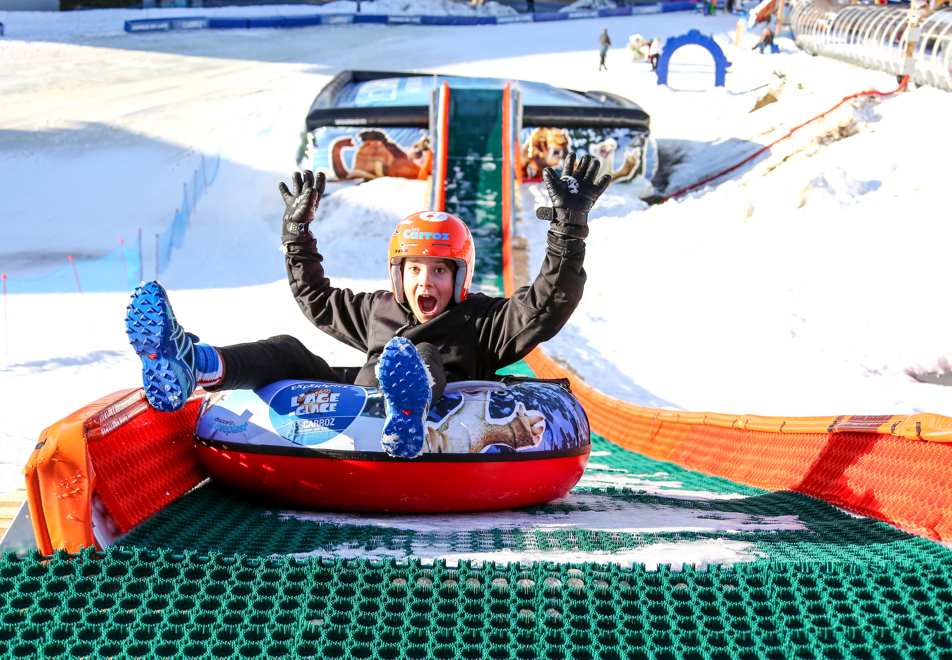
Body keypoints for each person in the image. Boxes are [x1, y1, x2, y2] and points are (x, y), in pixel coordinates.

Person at [125, 153, 611, 459]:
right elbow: (317, 300)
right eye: (414, 268)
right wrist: (297, 237)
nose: (427, 280)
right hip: (355, 406)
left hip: (439, 421)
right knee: (287, 348)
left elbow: (547, 303)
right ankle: (196, 364)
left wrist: (569, 229)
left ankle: (410, 408)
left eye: (440, 269)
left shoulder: (482, 321)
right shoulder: (379, 310)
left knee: (420, 359)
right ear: (397, 275)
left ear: (460, 276)